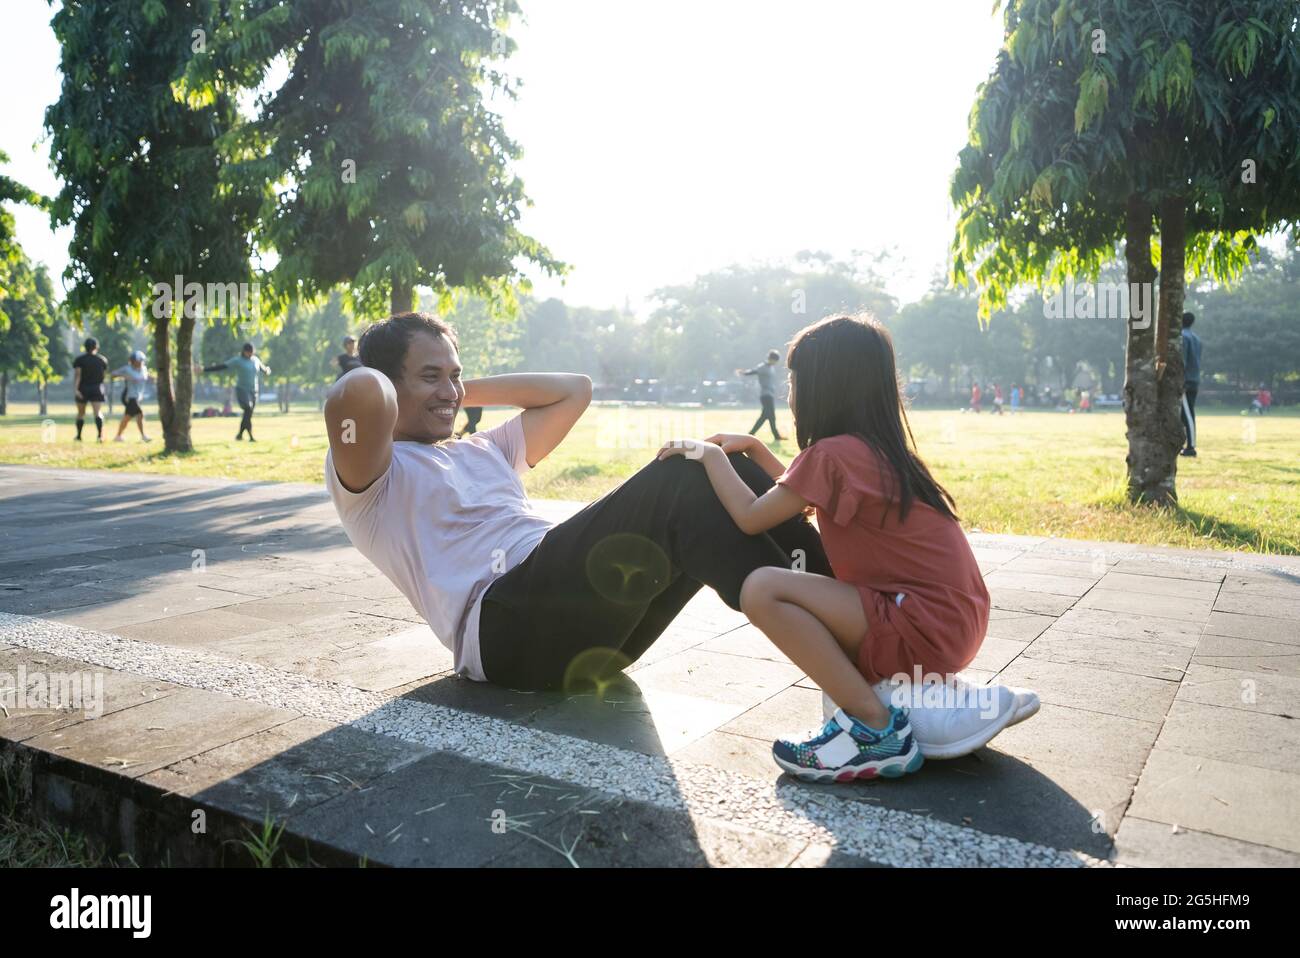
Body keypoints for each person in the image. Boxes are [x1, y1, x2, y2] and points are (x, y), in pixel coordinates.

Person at [659, 315, 1030, 782]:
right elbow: (800, 495)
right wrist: (754, 447)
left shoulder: (831, 455)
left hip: (921, 621)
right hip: (954, 620)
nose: (791, 390)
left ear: (824, 386)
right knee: (796, 587)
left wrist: (710, 455)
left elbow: (753, 517)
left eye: (796, 379)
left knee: (762, 590)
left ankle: (876, 730)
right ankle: (915, 705)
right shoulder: (873, 451)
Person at [202, 343, 271, 441]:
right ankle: (250, 436)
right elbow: (223, 366)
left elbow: (263, 369)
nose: (250, 354)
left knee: (248, 413)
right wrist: (204, 369)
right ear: (244, 352)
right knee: (248, 408)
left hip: (254, 391)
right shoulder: (238, 360)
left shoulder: (255, 360)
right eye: (249, 352)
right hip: (242, 390)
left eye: (252, 352)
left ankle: (239, 435)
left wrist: (267, 370)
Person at [736, 349, 784, 441]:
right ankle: (775, 436)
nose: (775, 362)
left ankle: (752, 433)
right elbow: (753, 371)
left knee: (765, 416)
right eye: (775, 360)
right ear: (770, 359)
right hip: (765, 395)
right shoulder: (762, 367)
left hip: (770, 394)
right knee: (771, 416)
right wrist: (743, 373)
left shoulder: (771, 367)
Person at [109, 351, 152, 442]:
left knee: (130, 417)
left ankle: (118, 436)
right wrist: (125, 376)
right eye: (139, 360)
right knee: (138, 414)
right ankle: (143, 436)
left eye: (142, 361)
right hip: (130, 396)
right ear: (133, 361)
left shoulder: (144, 369)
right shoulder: (127, 369)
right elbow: (113, 374)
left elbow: (146, 377)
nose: (141, 362)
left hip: (137, 397)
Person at [71, 337, 108, 442]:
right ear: (96, 347)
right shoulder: (102, 360)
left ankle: (78, 436)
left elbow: (78, 375)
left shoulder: (80, 360)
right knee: (97, 412)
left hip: (83, 388)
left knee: (81, 413)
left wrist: (76, 389)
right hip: (97, 388)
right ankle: (100, 436)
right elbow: (103, 376)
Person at [1180, 312, 1201, 457]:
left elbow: (1183, 361)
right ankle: (1184, 443)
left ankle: (1191, 446)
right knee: (1185, 413)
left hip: (1185, 380)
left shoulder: (1182, 337)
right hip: (1194, 379)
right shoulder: (1197, 339)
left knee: (1187, 414)